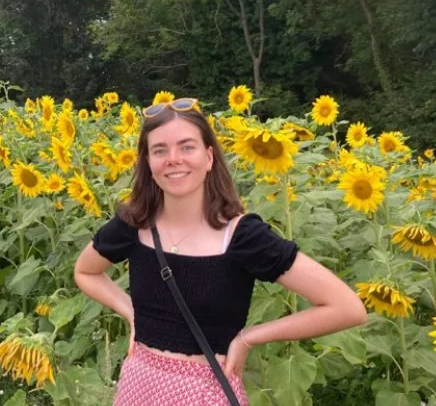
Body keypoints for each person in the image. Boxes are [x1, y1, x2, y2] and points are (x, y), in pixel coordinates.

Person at [73, 98, 368, 405]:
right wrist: (133, 314)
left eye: (187, 147)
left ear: (209, 156)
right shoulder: (134, 224)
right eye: (160, 150)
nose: (173, 159)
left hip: (205, 393)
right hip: (139, 386)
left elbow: (347, 308)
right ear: (148, 161)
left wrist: (250, 336)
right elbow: (85, 271)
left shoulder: (242, 236)